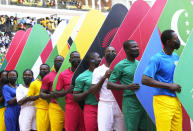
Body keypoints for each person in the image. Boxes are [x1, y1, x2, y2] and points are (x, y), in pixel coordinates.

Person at [142, 30, 182, 131]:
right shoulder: (156, 58)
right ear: (168, 42)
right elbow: (145, 79)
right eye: (176, 39)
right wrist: (169, 86)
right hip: (163, 100)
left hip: (177, 100)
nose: (178, 41)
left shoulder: (176, 56)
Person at [107, 40, 147, 131]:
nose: (137, 48)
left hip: (142, 101)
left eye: (137, 46)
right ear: (126, 50)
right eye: (134, 47)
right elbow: (109, 84)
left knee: (144, 128)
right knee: (132, 128)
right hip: (130, 102)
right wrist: (128, 87)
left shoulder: (140, 64)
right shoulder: (120, 65)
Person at [90, 46, 126, 131]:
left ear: (116, 54)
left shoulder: (121, 68)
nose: (111, 53)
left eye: (113, 51)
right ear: (104, 55)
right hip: (105, 104)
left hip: (120, 103)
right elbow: (93, 91)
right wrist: (104, 77)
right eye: (108, 51)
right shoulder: (98, 70)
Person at [55, 51, 85, 131]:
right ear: (69, 60)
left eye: (78, 57)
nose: (76, 59)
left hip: (83, 106)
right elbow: (56, 93)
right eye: (73, 57)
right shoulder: (63, 74)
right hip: (71, 107)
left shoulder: (85, 73)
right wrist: (67, 91)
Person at [73, 52, 101, 131]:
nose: (100, 59)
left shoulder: (105, 72)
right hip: (91, 109)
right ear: (91, 61)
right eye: (98, 58)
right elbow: (75, 97)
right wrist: (88, 91)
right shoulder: (82, 77)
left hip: (105, 106)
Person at [40, 55, 65, 131]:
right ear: (54, 63)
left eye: (61, 61)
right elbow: (41, 94)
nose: (59, 63)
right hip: (55, 107)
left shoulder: (69, 73)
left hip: (68, 106)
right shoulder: (48, 77)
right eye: (57, 61)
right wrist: (51, 95)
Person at [27, 64, 50, 131]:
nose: (42, 71)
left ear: (49, 71)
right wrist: (39, 95)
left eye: (44, 69)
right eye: (41, 69)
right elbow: (29, 97)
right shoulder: (34, 83)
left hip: (52, 109)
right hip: (41, 110)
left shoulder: (52, 81)